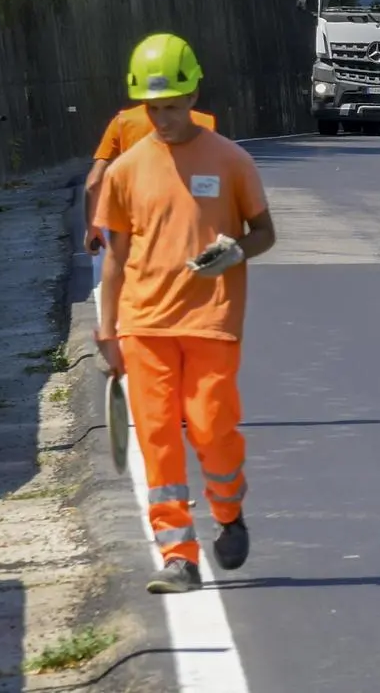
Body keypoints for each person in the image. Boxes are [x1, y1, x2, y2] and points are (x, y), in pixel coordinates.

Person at [94, 32, 276, 594]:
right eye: (153, 109)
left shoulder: (231, 160)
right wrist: (106, 330)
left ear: (192, 93)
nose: (163, 119)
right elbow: (115, 258)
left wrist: (236, 251)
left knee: (211, 425)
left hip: (211, 322)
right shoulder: (126, 170)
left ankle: (228, 513)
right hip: (144, 324)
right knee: (156, 437)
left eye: (171, 107)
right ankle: (178, 555)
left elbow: (265, 232)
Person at [83, 89, 217, 257]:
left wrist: (92, 228)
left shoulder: (122, 122)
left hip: (138, 229)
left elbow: (93, 184)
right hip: (190, 229)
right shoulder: (203, 122)